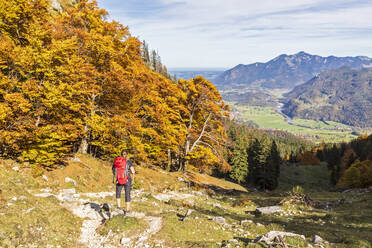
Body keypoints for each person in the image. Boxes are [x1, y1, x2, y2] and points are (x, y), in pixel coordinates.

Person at [112, 149, 135, 214]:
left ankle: (119, 207)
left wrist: (115, 178)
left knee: (118, 192)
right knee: (127, 194)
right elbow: (133, 171)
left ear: (121, 154)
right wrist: (133, 178)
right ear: (127, 154)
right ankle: (127, 210)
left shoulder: (117, 161)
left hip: (118, 179)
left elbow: (113, 170)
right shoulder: (128, 161)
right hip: (127, 179)